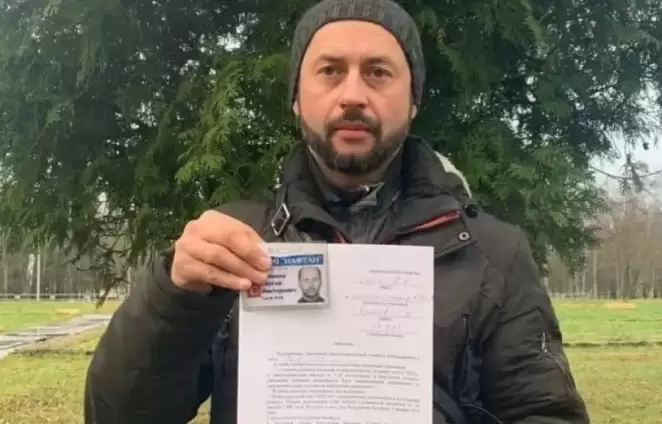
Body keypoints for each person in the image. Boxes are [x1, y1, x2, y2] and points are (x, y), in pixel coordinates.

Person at [84, 0, 590, 423]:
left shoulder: (494, 253)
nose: (352, 95)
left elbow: (544, 412)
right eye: (330, 71)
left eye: (378, 73)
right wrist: (175, 295)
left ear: (413, 101)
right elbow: (116, 416)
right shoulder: (232, 247)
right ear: (296, 99)